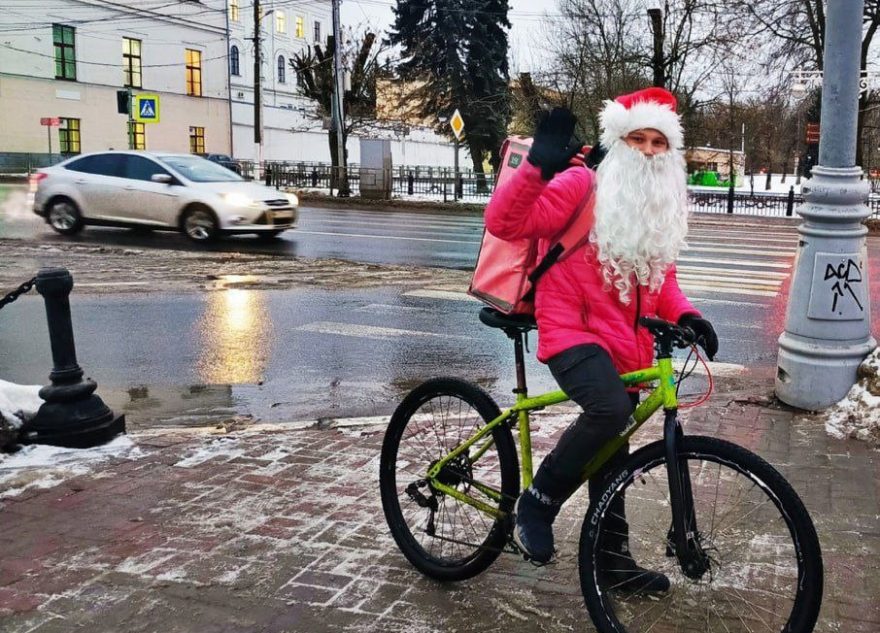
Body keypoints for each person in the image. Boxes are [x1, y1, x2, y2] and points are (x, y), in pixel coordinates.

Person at [484, 88, 718, 591]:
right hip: (569, 330)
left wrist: (689, 316)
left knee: (612, 449)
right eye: (639, 139)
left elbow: (663, 281)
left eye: (659, 142)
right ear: (619, 139)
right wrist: (537, 169)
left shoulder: (659, 208)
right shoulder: (581, 184)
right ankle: (539, 500)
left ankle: (612, 562)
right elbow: (505, 222)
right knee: (610, 411)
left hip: (625, 344)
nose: (650, 152)